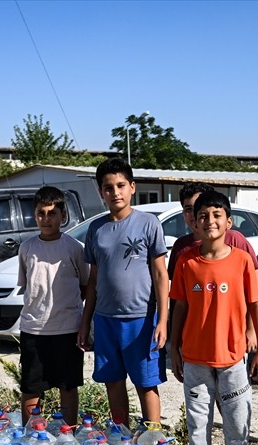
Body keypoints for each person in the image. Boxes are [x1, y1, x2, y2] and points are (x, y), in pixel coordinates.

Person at [168, 190, 258, 445]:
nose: (209, 221)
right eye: (202, 216)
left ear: (229, 222)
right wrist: (174, 348)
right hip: (195, 359)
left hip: (233, 358)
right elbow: (180, 307)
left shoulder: (241, 261)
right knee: (199, 425)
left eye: (216, 215)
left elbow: (256, 306)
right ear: (194, 223)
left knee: (237, 426)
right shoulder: (186, 261)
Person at [77, 158, 169, 427]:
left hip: (141, 320)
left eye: (120, 185)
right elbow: (93, 281)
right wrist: (85, 323)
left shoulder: (149, 224)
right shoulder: (96, 229)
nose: (115, 192)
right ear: (101, 192)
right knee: (113, 382)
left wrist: (162, 320)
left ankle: (153, 441)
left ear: (132, 187)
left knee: (145, 383)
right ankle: (122, 437)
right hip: (105, 321)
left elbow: (161, 275)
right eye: (108, 187)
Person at [17, 186, 89, 424]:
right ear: (34, 214)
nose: (46, 219)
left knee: (67, 386)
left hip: (67, 329)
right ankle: (30, 435)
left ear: (63, 215)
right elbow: (27, 286)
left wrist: (82, 325)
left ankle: (69, 433)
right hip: (33, 330)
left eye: (52, 213)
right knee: (31, 387)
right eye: (41, 213)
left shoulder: (74, 248)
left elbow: (85, 286)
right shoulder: (26, 248)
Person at [168, 182, 258, 353]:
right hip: (195, 342)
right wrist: (175, 341)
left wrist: (251, 329)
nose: (194, 215)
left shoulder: (235, 241)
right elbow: (178, 301)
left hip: (232, 342)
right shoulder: (181, 248)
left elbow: (253, 294)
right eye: (188, 209)